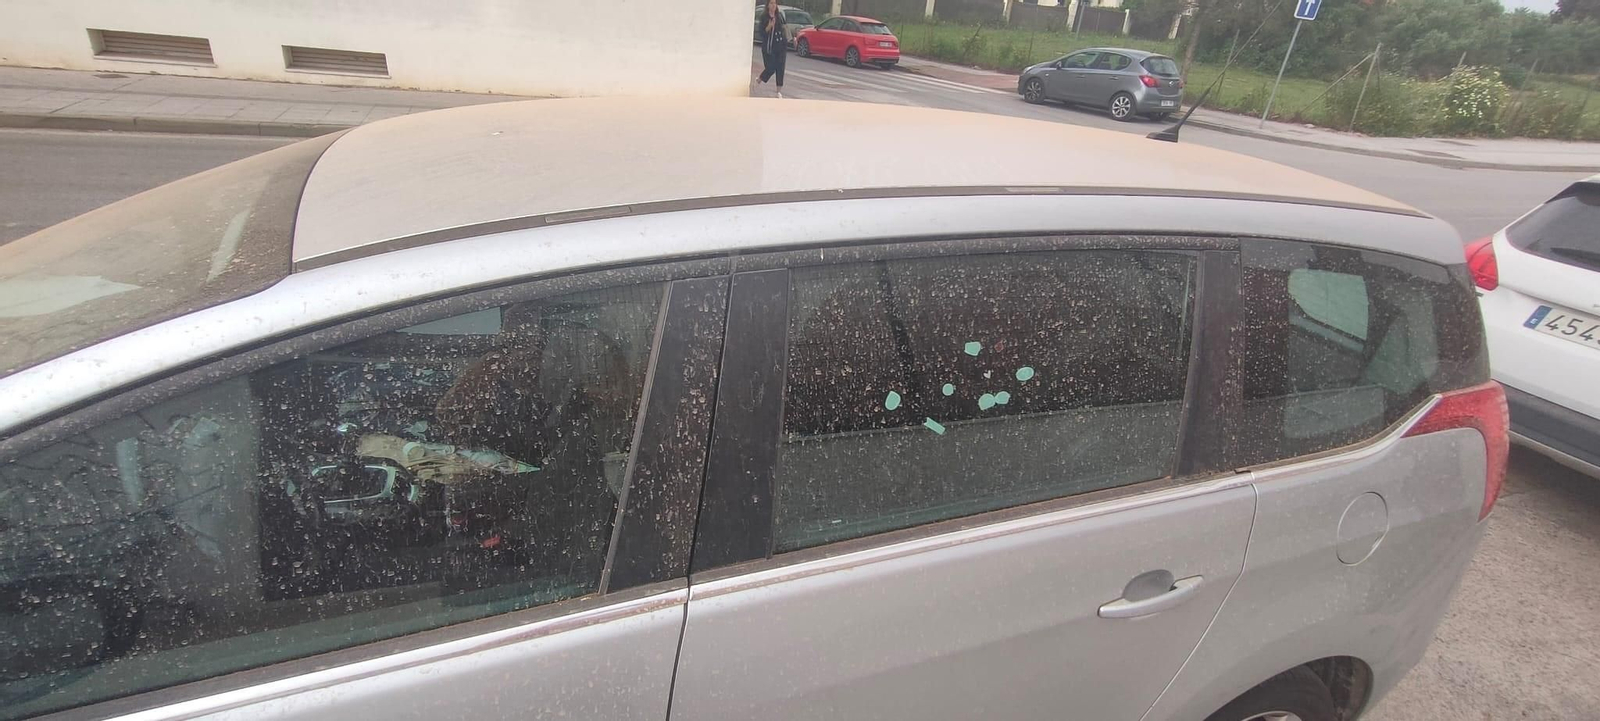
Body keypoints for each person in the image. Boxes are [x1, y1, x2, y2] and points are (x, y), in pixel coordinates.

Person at [758, 0, 787, 98]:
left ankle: (778, 91)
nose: (773, 5)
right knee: (771, 67)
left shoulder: (779, 16)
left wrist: (792, 39)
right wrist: (769, 26)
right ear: (768, 5)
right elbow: (761, 33)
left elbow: (785, 28)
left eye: (775, 3)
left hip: (781, 46)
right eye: (771, 3)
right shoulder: (764, 17)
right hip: (770, 46)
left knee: (780, 68)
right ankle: (761, 78)